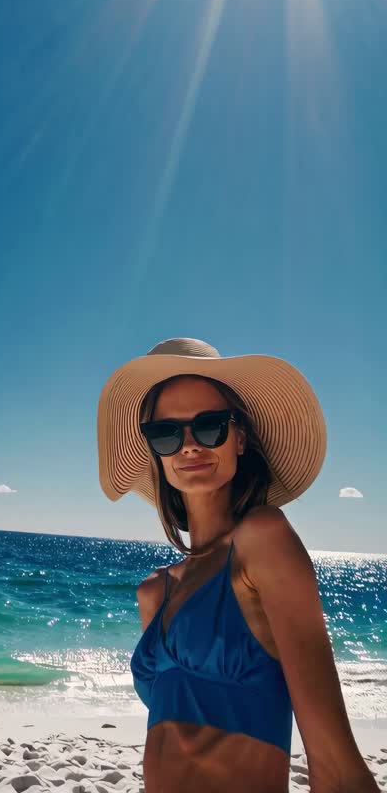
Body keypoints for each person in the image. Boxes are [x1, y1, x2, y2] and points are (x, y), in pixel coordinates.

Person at [97, 337, 378, 793]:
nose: (189, 446)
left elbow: (336, 764)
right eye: (167, 433)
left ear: (240, 437)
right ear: (156, 451)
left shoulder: (263, 540)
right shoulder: (154, 592)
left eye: (209, 427)